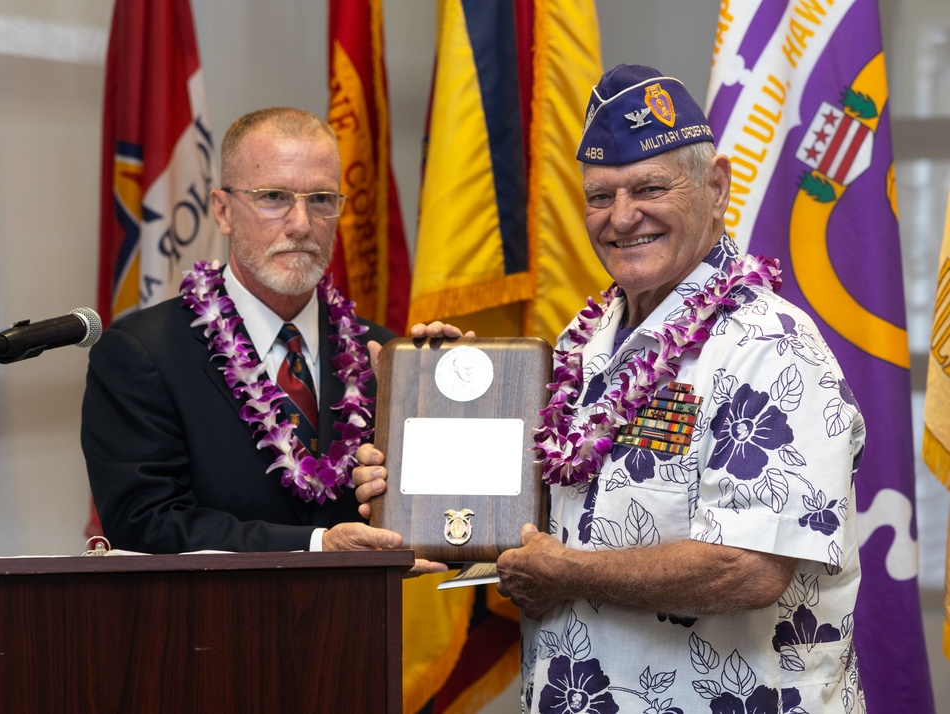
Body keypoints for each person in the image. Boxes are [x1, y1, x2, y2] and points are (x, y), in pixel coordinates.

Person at [355, 65, 866, 712]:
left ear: (716, 187)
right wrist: (434, 412)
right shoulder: (585, 339)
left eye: (649, 187)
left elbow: (748, 566)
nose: (622, 218)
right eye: (600, 196)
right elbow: (540, 509)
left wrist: (566, 574)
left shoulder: (769, 346)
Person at [82, 106, 452, 567]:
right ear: (222, 211)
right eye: (274, 197)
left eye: (320, 199)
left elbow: (431, 514)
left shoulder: (381, 356)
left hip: (358, 629)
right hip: (207, 630)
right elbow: (145, 524)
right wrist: (317, 546)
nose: (301, 224)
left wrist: (451, 394)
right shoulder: (143, 353)